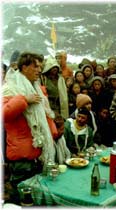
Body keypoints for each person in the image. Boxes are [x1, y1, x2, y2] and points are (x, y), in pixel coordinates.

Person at [2, 52, 56, 193]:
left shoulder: (36, 88)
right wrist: (24, 99)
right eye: (35, 66)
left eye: (40, 66)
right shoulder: (10, 88)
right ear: (24, 67)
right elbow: (3, 114)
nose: (39, 70)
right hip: (22, 160)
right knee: (23, 201)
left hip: (38, 156)